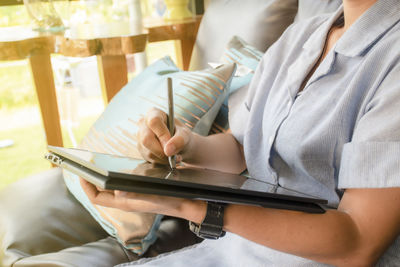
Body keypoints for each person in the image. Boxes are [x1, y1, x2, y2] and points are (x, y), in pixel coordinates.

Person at [80, 0, 400, 265]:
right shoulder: (300, 37)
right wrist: (185, 144)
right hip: (232, 252)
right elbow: (241, 148)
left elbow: (358, 241)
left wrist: (188, 206)